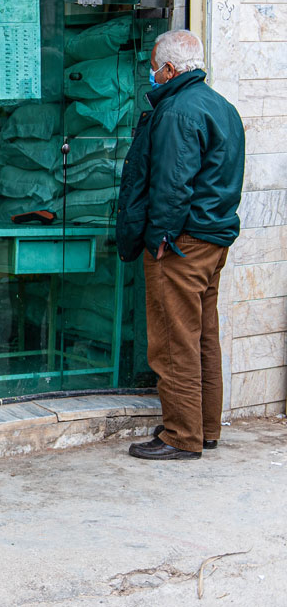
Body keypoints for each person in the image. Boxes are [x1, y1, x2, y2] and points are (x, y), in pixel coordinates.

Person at [116, 30, 245, 460]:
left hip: (182, 244)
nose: (151, 75)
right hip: (214, 240)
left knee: (174, 342)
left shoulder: (176, 111)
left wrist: (159, 240)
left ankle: (180, 435)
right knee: (204, 338)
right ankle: (205, 428)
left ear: (169, 69)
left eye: (154, 67)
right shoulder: (221, 107)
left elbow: (172, 187)